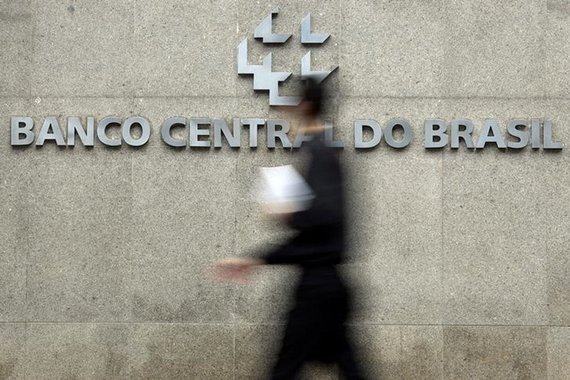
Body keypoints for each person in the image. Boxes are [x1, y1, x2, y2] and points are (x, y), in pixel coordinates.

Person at [214, 79, 366, 380]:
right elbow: (320, 229)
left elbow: (325, 217)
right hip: (325, 285)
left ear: (306, 106)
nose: (288, 113)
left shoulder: (320, 152)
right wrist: (257, 258)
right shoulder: (321, 151)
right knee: (346, 368)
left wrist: (290, 213)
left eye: (294, 104)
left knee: (285, 370)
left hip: (318, 288)